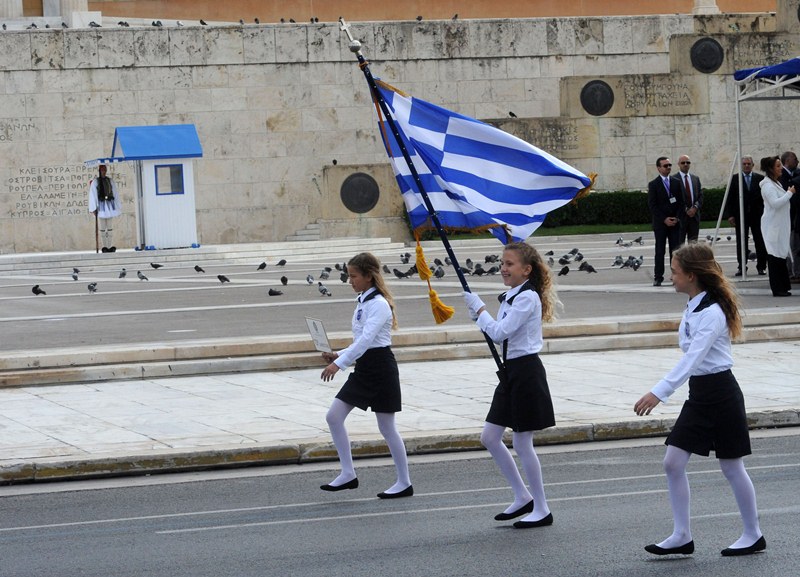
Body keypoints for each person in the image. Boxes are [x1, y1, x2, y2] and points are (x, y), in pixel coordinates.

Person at [634, 243, 765, 557]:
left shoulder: (712, 312)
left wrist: (658, 392)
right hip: (700, 394)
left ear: (691, 275)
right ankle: (682, 535)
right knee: (673, 462)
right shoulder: (695, 303)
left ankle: (753, 533)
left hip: (721, 394)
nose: (670, 276)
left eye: (675, 271)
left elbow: (692, 359)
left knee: (732, 467)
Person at [462, 242, 556, 529]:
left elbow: (501, 333)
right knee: (490, 437)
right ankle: (522, 495)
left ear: (526, 270)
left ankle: (541, 508)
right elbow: (497, 330)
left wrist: (479, 310)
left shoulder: (527, 298)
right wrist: (480, 316)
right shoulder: (512, 297)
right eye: (502, 263)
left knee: (522, 442)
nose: (503, 268)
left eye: (510, 264)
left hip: (526, 371)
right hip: (511, 372)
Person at [319, 252, 413, 499]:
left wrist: (338, 364)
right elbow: (360, 342)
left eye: (353, 276)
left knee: (387, 427)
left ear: (369, 277)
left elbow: (368, 341)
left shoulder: (379, 304)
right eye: (349, 275)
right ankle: (348, 474)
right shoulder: (363, 300)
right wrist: (338, 353)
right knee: (334, 416)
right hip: (365, 367)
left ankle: (404, 482)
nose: (349, 281)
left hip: (381, 368)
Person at [724, 155, 766, 276]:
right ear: (741, 166)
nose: (746, 166)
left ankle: (761, 266)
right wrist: (730, 215)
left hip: (757, 216)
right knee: (741, 242)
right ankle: (742, 267)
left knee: (760, 241)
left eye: (749, 164)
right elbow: (730, 198)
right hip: (740, 216)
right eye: (744, 164)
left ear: (753, 165)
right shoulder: (735, 179)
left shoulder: (760, 179)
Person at [760, 155, 795, 297]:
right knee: (775, 257)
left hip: (780, 226)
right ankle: (778, 288)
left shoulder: (776, 183)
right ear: (770, 169)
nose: (781, 169)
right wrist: (789, 193)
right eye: (778, 166)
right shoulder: (767, 186)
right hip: (773, 227)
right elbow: (775, 203)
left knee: (781, 255)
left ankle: (784, 286)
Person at [648, 156, 684, 286]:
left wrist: (677, 218)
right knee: (660, 250)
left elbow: (681, 202)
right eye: (665, 166)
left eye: (669, 165)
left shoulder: (676, 182)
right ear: (658, 168)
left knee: (675, 251)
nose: (668, 167)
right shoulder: (653, 184)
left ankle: (676, 276)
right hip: (661, 224)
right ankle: (658, 276)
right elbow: (653, 205)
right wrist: (664, 219)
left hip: (675, 222)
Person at [88, 164, 122, 253]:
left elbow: (115, 193)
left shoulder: (110, 180)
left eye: (105, 170)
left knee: (110, 228)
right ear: (99, 171)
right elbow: (93, 195)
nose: (104, 172)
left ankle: (109, 246)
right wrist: (93, 208)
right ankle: (104, 246)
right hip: (101, 207)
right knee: (103, 228)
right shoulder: (96, 181)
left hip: (109, 206)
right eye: (102, 170)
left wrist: (118, 206)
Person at [780, 151, 800, 281]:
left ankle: (794, 271)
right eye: (795, 159)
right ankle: (792, 272)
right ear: (787, 161)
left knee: (794, 245)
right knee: (790, 246)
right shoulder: (782, 176)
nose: (797, 161)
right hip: (788, 216)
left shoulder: (796, 173)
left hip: (795, 217)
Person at [676, 154, 703, 244]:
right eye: (683, 162)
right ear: (679, 164)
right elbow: (674, 199)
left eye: (688, 162)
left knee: (693, 246)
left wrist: (695, 208)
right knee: (679, 246)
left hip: (694, 218)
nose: (685, 164)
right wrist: (686, 209)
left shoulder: (695, 179)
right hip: (680, 218)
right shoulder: (673, 179)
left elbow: (700, 196)